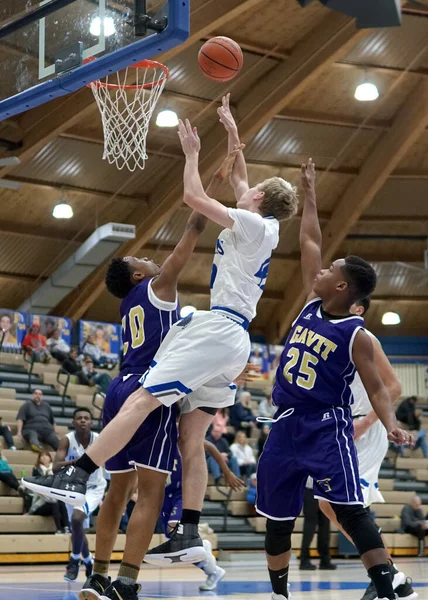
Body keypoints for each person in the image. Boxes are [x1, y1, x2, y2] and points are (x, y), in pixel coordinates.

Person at [22, 96, 299, 591]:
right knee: (192, 437)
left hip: (217, 329)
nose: (247, 188)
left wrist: (192, 154)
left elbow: (196, 203)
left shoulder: (253, 222)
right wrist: (234, 134)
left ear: (260, 201)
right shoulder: (264, 223)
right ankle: (189, 528)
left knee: (145, 401)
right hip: (234, 338)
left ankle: (78, 471)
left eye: (254, 189)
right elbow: (241, 180)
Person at [79, 150, 238, 600]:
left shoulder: (127, 307)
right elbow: (193, 227)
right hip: (149, 394)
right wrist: (211, 182)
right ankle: (127, 581)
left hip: (117, 391)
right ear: (137, 275)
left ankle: (98, 574)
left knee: (116, 492)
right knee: (150, 491)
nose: (150, 259)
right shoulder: (157, 288)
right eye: (142, 259)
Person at [256, 158, 413, 600]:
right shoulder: (310, 305)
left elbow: (381, 388)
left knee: (349, 508)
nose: (322, 271)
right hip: (285, 423)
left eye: (331, 271)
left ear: (343, 288)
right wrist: (309, 193)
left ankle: (386, 586)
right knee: (278, 517)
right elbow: (309, 239)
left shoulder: (356, 334)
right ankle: (278, 594)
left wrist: (389, 424)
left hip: (326, 426)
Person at [319, 297, 418, 600]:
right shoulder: (329, 334)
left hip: (364, 426)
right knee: (327, 504)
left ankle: (383, 574)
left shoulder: (365, 336)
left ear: (358, 309)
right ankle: (392, 575)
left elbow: (394, 387)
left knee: (348, 506)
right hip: (341, 428)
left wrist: (366, 423)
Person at [144, 440, 243, 591]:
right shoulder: (152, 439)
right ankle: (212, 570)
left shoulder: (179, 433)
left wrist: (227, 472)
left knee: (174, 528)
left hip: (182, 492)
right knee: (176, 543)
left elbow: (210, 447)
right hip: (164, 495)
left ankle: (203, 551)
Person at [51, 408, 106, 582]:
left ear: (91, 422)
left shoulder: (100, 439)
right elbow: (55, 467)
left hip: (93, 487)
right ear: (73, 422)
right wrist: (76, 462)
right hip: (72, 487)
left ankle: (74, 561)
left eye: (86, 418)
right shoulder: (67, 440)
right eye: (79, 418)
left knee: (76, 519)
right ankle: (89, 562)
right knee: (77, 526)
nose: (83, 420)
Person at [27, 452, 69, 533]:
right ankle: (59, 529)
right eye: (42, 456)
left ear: (50, 458)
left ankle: (66, 527)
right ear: (39, 459)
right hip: (41, 502)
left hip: (54, 500)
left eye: (46, 455)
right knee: (54, 502)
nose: (44, 457)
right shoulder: (36, 470)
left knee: (60, 501)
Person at [299, 478, 335, 571]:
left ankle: (325, 559)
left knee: (325, 526)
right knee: (310, 526)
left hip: (325, 491)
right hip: (311, 490)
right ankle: (304, 559)